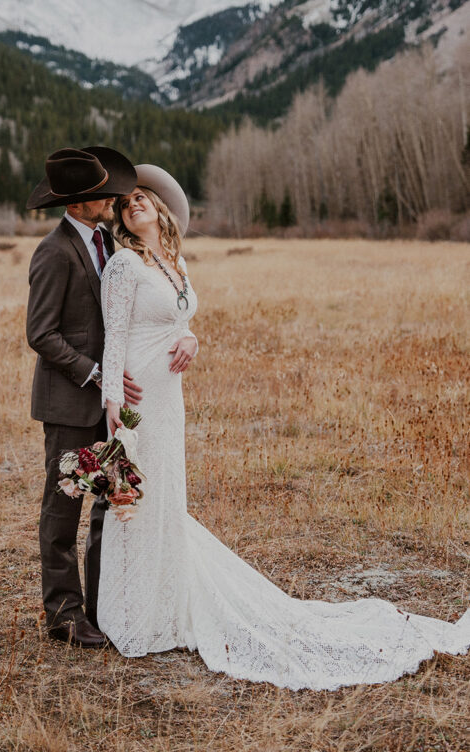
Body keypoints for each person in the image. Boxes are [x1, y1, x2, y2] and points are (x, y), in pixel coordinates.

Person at [96, 164, 470, 688]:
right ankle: (134, 616)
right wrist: (112, 401)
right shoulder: (124, 266)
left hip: (170, 398)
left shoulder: (173, 262)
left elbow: (179, 320)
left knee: (167, 496)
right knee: (137, 498)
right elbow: (114, 337)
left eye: (144, 197)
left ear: (160, 210)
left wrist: (194, 339)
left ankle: (165, 602)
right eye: (126, 201)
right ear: (122, 217)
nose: (134, 203)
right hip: (137, 400)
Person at [26, 146, 142, 648]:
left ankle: (100, 608)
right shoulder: (53, 252)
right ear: (76, 203)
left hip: (106, 403)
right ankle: (64, 616)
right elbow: (41, 333)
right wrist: (94, 373)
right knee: (62, 510)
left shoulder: (108, 245)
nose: (112, 199)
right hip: (70, 403)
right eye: (101, 195)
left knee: (107, 505)